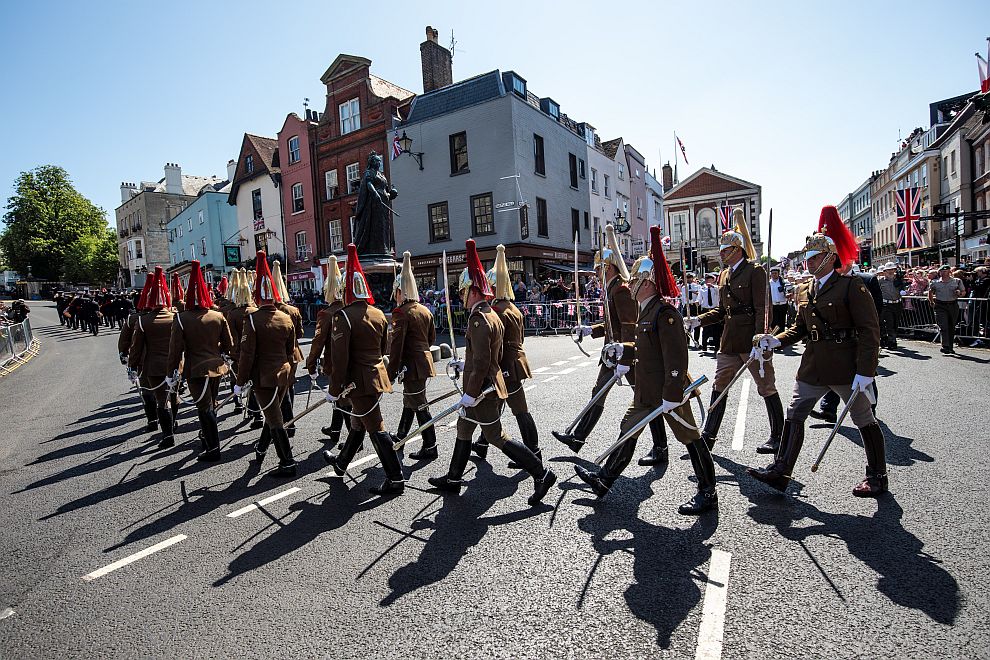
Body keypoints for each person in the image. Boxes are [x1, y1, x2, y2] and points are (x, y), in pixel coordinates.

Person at [574, 227, 716, 515]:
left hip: (669, 390)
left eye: (637, 280)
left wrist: (673, 392)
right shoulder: (646, 311)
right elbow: (643, 349)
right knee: (628, 431)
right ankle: (604, 480)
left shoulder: (665, 314)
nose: (632, 284)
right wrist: (622, 350)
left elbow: (676, 358)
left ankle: (708, 491)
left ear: (649, 283)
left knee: (690, 437)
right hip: (648, 389)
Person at [749, 229, 886, 497]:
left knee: (864, 419)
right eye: (807, 258)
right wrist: (776, 340)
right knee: (795, 413)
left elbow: (870, 330)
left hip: (845, 365)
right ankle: (781, 470)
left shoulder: (851, 286)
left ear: (829, 258)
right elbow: (800, 327)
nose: (808, 262)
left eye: (814, 258)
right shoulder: (807, 289)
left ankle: (877, 476)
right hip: (813, 364)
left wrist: (866, 370)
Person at [428, 239, 557, 506]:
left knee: (496, 436)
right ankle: (453, 478)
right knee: (464, 429)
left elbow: (485, 360)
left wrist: (471, 392)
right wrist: (465, 365)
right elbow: (484, 355)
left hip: (483, 391)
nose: (461, 297)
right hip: (483, 385)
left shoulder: (479, 319)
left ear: (473, 291)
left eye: (463, 291)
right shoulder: (491, 314)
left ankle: (541, 474)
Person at [554, 224, 670, 466]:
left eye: (598, 268)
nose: (595, 272)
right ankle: (578, 437)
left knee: (646, 399)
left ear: (607, 268)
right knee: (599, 392)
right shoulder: (611, 289)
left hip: (627, 352)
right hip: (612, 351)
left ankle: (661, 447)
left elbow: (629, 325)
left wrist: (626, 359)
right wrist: (590, 330)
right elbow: (611, 324)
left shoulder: (621, 290)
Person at [687, 208, 784, 455]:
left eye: (725, 250)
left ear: (737, 250)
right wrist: (697, 321)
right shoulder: (724, 275)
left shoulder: (755, 270)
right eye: (721, 251)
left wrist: (761, 336)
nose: (721, 254)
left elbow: (763, 306)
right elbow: (721, 311)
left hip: (751, 339)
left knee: (766, 386)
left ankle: (778, 436)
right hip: (729, 339)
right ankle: (708, 437)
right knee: (719, 385)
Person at [322, 244, 405, 496]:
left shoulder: (343, 317)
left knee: (376, 427)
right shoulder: (379, 313)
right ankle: (342, 463)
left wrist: (335, 389)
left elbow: (340, 358)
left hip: (358, 382)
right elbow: (383, 348)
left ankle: (395, 477)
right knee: (358, 423)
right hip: (375, 377)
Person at [472, 244, 541, 468]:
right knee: (502, 405)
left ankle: (533, 453)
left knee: (517, 409)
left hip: (506, 364)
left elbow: (496, 344)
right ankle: (482, 444)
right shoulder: (512, 306)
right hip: (516, 360)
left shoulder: (498, 310)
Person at [234, 253, 298, 477]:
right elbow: (291, 350)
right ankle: (261, 448)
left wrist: (240, 382)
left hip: (264, 377)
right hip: (283, 373)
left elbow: (247, 354)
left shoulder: (252, 319)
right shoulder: (285, 317)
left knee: (274, 418)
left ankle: (287, 462)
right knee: (273, 413)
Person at [166, 261, 234, 462]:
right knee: (210, 404)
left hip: (196, 368)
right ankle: (207, 436)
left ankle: (213, 448)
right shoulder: (217, 315)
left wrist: (171, 372)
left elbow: (175, 349)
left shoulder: (181, 318)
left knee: (204, 408)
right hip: (216, 366)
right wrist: (217, 352)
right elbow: (229, 344)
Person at [388, 251, 439, 462]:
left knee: (419, 405)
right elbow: (432, 338)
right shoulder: (424, 310)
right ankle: (401, 435)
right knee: (410, 401)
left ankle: (430, 445)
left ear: (400, 291)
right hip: (423, 362)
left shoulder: (401, 313)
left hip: (412, 364)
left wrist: (390, 372)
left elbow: (397, 346)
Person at [127, 267, 177, 449]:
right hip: (175, 365)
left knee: (161, 402)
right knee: (173, 396)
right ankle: (173, 424)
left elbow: (136, 348)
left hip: (154, 366)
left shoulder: (142, 321)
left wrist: (132, 367)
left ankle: (168, 434)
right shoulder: (175, 317)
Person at [308, 256, 351, 446]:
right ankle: (335, 430)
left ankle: (353, 438)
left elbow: (318, 343)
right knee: (339, 397)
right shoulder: (350, 309)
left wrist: (311, 364)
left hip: (335, 362)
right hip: (351, 361)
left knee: (342, 399)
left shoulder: (326, 314)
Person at [928, 264, 966, 354]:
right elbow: (930, 291)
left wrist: (959, 293)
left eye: (946, 271)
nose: (944, 273)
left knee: (951, 326)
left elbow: (963, 292)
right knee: (943, 326)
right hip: (940, 305)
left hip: (952, 305)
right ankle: (945, 346)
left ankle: (950, 346)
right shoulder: (935, 282)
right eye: (942, 271)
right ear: (939, 272)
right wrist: (931, 301)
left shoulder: (957, 281)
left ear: (950, 272)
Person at [877, 262, 904, 349]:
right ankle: (892, 341)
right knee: (890, 322)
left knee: (896, 323)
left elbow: (903, 287)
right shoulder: (880, 281)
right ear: (884, 271)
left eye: (892, 269)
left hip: (897, 303)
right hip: (886, 304)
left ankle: (891, 338)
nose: (890, 271)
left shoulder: (899, 280)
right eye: (888, 270)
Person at [698, 273, 722, 352]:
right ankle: (704, 345)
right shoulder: (702, 289)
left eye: (711, 280)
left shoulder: (716, 289)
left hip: (714, 309)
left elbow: (719, 291)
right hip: (705, 309)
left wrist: (713, 286)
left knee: (716, 329)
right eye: (708, 280)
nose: (709, 282)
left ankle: (716, 346)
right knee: (705, 329)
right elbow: (699, 299)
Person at [680, 272, 702, 345]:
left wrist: (697, 300)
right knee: (686, 323)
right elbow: (683, 297)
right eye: (687, 278)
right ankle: (687, 340)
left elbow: (700, 295)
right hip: (687, 306)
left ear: (692, 278)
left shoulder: (697, 286)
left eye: (690, 278)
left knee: (697, 322)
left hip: (694, 306)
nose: (689, 279)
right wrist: (684, 305)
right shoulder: (683, 287)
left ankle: (696, 339)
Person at [769, 266, 788, 333]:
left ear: (778, 274)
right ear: (770, 274)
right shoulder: (768, 283)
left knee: (781, 321)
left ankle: (782, 335)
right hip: (773, 305)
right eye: (773, 273)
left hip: (782, 305)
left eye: (775, 273)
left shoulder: (783, 282)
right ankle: (774, 335)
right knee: (774, 321)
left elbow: (789, 291)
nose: (774, 275)